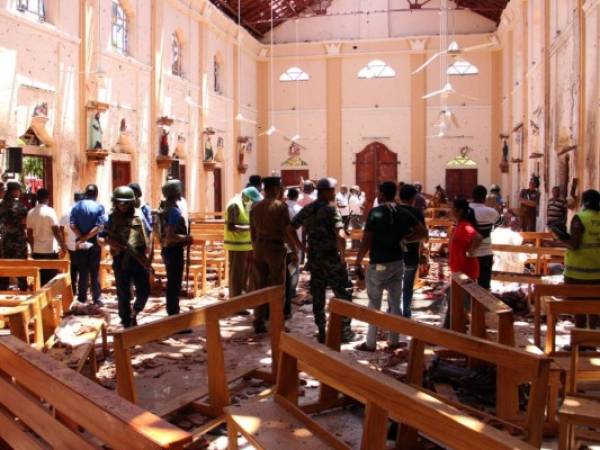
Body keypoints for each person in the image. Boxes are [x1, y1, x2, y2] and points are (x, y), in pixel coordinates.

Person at [354, 182, 426, 352]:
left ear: (382, 194)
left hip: (378, 264)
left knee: (374, 303)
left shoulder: (376, 213)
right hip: (397, 263)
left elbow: (366, 240)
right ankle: (393, 340)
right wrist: (405, 240)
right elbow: (423, 233)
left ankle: (370, 343)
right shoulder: (402, 212)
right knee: (395, 303)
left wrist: (358, 261)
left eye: (378, 192)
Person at [289, 177, 355, 343]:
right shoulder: (331, 209)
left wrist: (301, 248)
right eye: (333, 190)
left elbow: (290, 228)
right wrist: (343, 256)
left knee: (318, 296)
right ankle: (344, 331)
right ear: (326, 192)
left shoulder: (308, 208)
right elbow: (340, 234)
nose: (334, 193)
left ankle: (321, 330)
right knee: (343, 294)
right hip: (332, 259)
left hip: (315, 260)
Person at [250, 177, 302, 333]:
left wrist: (254, 247)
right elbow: (286, 232)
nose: (280, 190)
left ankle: (258, 321)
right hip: (275, 249)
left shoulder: (255, 207)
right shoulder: (280, 207)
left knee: (259, 285)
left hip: (259, 247)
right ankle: (277, 322)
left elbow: (251, 231)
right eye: (279, 187)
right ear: (274, 189)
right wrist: (293, 250)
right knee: (278, 287)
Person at [104, 186, 151, 328]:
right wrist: (116, 245)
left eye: (125, 203)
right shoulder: (111, 218)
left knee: (144, 290)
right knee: (123, 293)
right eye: (119, 202)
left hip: (138, 258)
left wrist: (148, 253)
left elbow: (149, 232)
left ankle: (134, 312)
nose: (122, 205)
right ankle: (126, 321)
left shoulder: (139, 215)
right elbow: (103, 238)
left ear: (131, 202)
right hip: (120, 259)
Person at [553, 189, 600, 329]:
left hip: (577, 273)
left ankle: (580, 342)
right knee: (594, 308)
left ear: (584, 202)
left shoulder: (580, 218)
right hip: (597, 272)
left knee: (578, 307)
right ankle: (591, 339)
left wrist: (560, 236)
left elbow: (574, 244)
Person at [156, 179, 193, 320]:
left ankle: (172, 311)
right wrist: (186, 238)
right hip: (173, 251)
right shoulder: (174, 211)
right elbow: (170, 236)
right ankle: (173, 315)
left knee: (173, 283)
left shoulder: (163, 208)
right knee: (174, 284)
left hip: (166, 250)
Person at [224, 186, 262, 309]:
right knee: (237, 276)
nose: (252, 202)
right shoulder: (234, 205)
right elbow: (231, 226)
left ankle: (243, 301)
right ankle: (236, 305)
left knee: (244, 276)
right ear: (246, 196)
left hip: (245, 245)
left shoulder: (244, 203)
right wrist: (249, 228)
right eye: (252, 199)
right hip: (236, 245)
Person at [70, 184, 106, 306]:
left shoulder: (76, 207)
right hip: (93, 243)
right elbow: (99, 227)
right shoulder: (99, 207)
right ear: (96, 194)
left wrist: (81, 237)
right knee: (94, 271)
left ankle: (82, 297)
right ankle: (96, 297)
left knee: (82, 270)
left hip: (80, 243)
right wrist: (87, 237)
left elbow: (72, 225)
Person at [26, 188, 67, 286]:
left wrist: (32, 249)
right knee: (50, 280)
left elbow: (29, 233)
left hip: (37, 251)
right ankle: (50, 300)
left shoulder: (30, 212)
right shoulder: (50, 211)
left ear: (37, 198)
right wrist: (63, 246)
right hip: (50, 251)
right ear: (47, 198)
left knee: (40, 278)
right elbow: (56, 231)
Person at [397, 184, 427, 318]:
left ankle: (393, 310)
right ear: (414, 197)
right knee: (408, 285)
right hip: (411, 254)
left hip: (394, 255)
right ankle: (406, 312)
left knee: (394, 285)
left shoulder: (394, 211)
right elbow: (424, 236)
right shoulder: (417, 213)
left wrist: (400, 240)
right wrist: (408, 240)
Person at [470, 185, 500, 289]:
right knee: (484, 286)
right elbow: (500, 223)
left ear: (472, 196)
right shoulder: (491, 211)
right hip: (486, 252)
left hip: (469, 252)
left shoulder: (466, 211)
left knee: (468, 285)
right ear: (484, 197)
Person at [0, 181, 28, 290]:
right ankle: (23, 290)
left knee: (5, 268)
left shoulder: (1, 205)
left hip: (5, 241)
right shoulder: (19, 205)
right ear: (14, 191)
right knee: (21, 268)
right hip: (18, 242)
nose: (20, 192)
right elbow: (25, 222)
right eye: (19, 190)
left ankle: (2, 290)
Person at [449, 199, 482, 281]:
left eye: (453, 208)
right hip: (459, 269)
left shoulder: (465, 225)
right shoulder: (459, 225)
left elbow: (478, 237)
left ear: (459, 211)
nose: (451, 211)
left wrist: (470, 252)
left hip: (465, 270)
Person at [60, 192, 83, 293]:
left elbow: (60, 226)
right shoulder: (83, 210)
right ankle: (82, 289)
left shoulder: (67, 211)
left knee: (73, 267)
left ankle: (73, 289)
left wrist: (63, 242)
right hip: (82, 243)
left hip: (70, 243)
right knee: (83, 267)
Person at [285, 188, 303, 318]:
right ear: (296, 197)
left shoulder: (285, 207)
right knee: (294, 269)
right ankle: (291, 293)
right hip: (295, 243)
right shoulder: (298, 208)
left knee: (287, 270)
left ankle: (288, 293)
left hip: (285, 245)